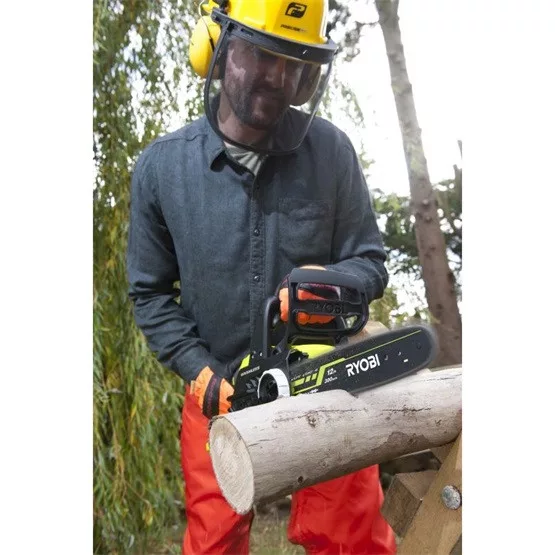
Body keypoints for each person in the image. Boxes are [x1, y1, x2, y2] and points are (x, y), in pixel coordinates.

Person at [127, 0, 396, 553]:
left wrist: (330, 286)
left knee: (352, 541)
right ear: (218, 48)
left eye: (295, 62)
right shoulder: (162, 168)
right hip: (218, 387)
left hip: (324, 382)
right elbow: (150, 294)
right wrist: (197, 369)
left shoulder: (331, 152)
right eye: (263, 55)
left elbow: (369, 262)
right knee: (213, 542)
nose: (279, 77)